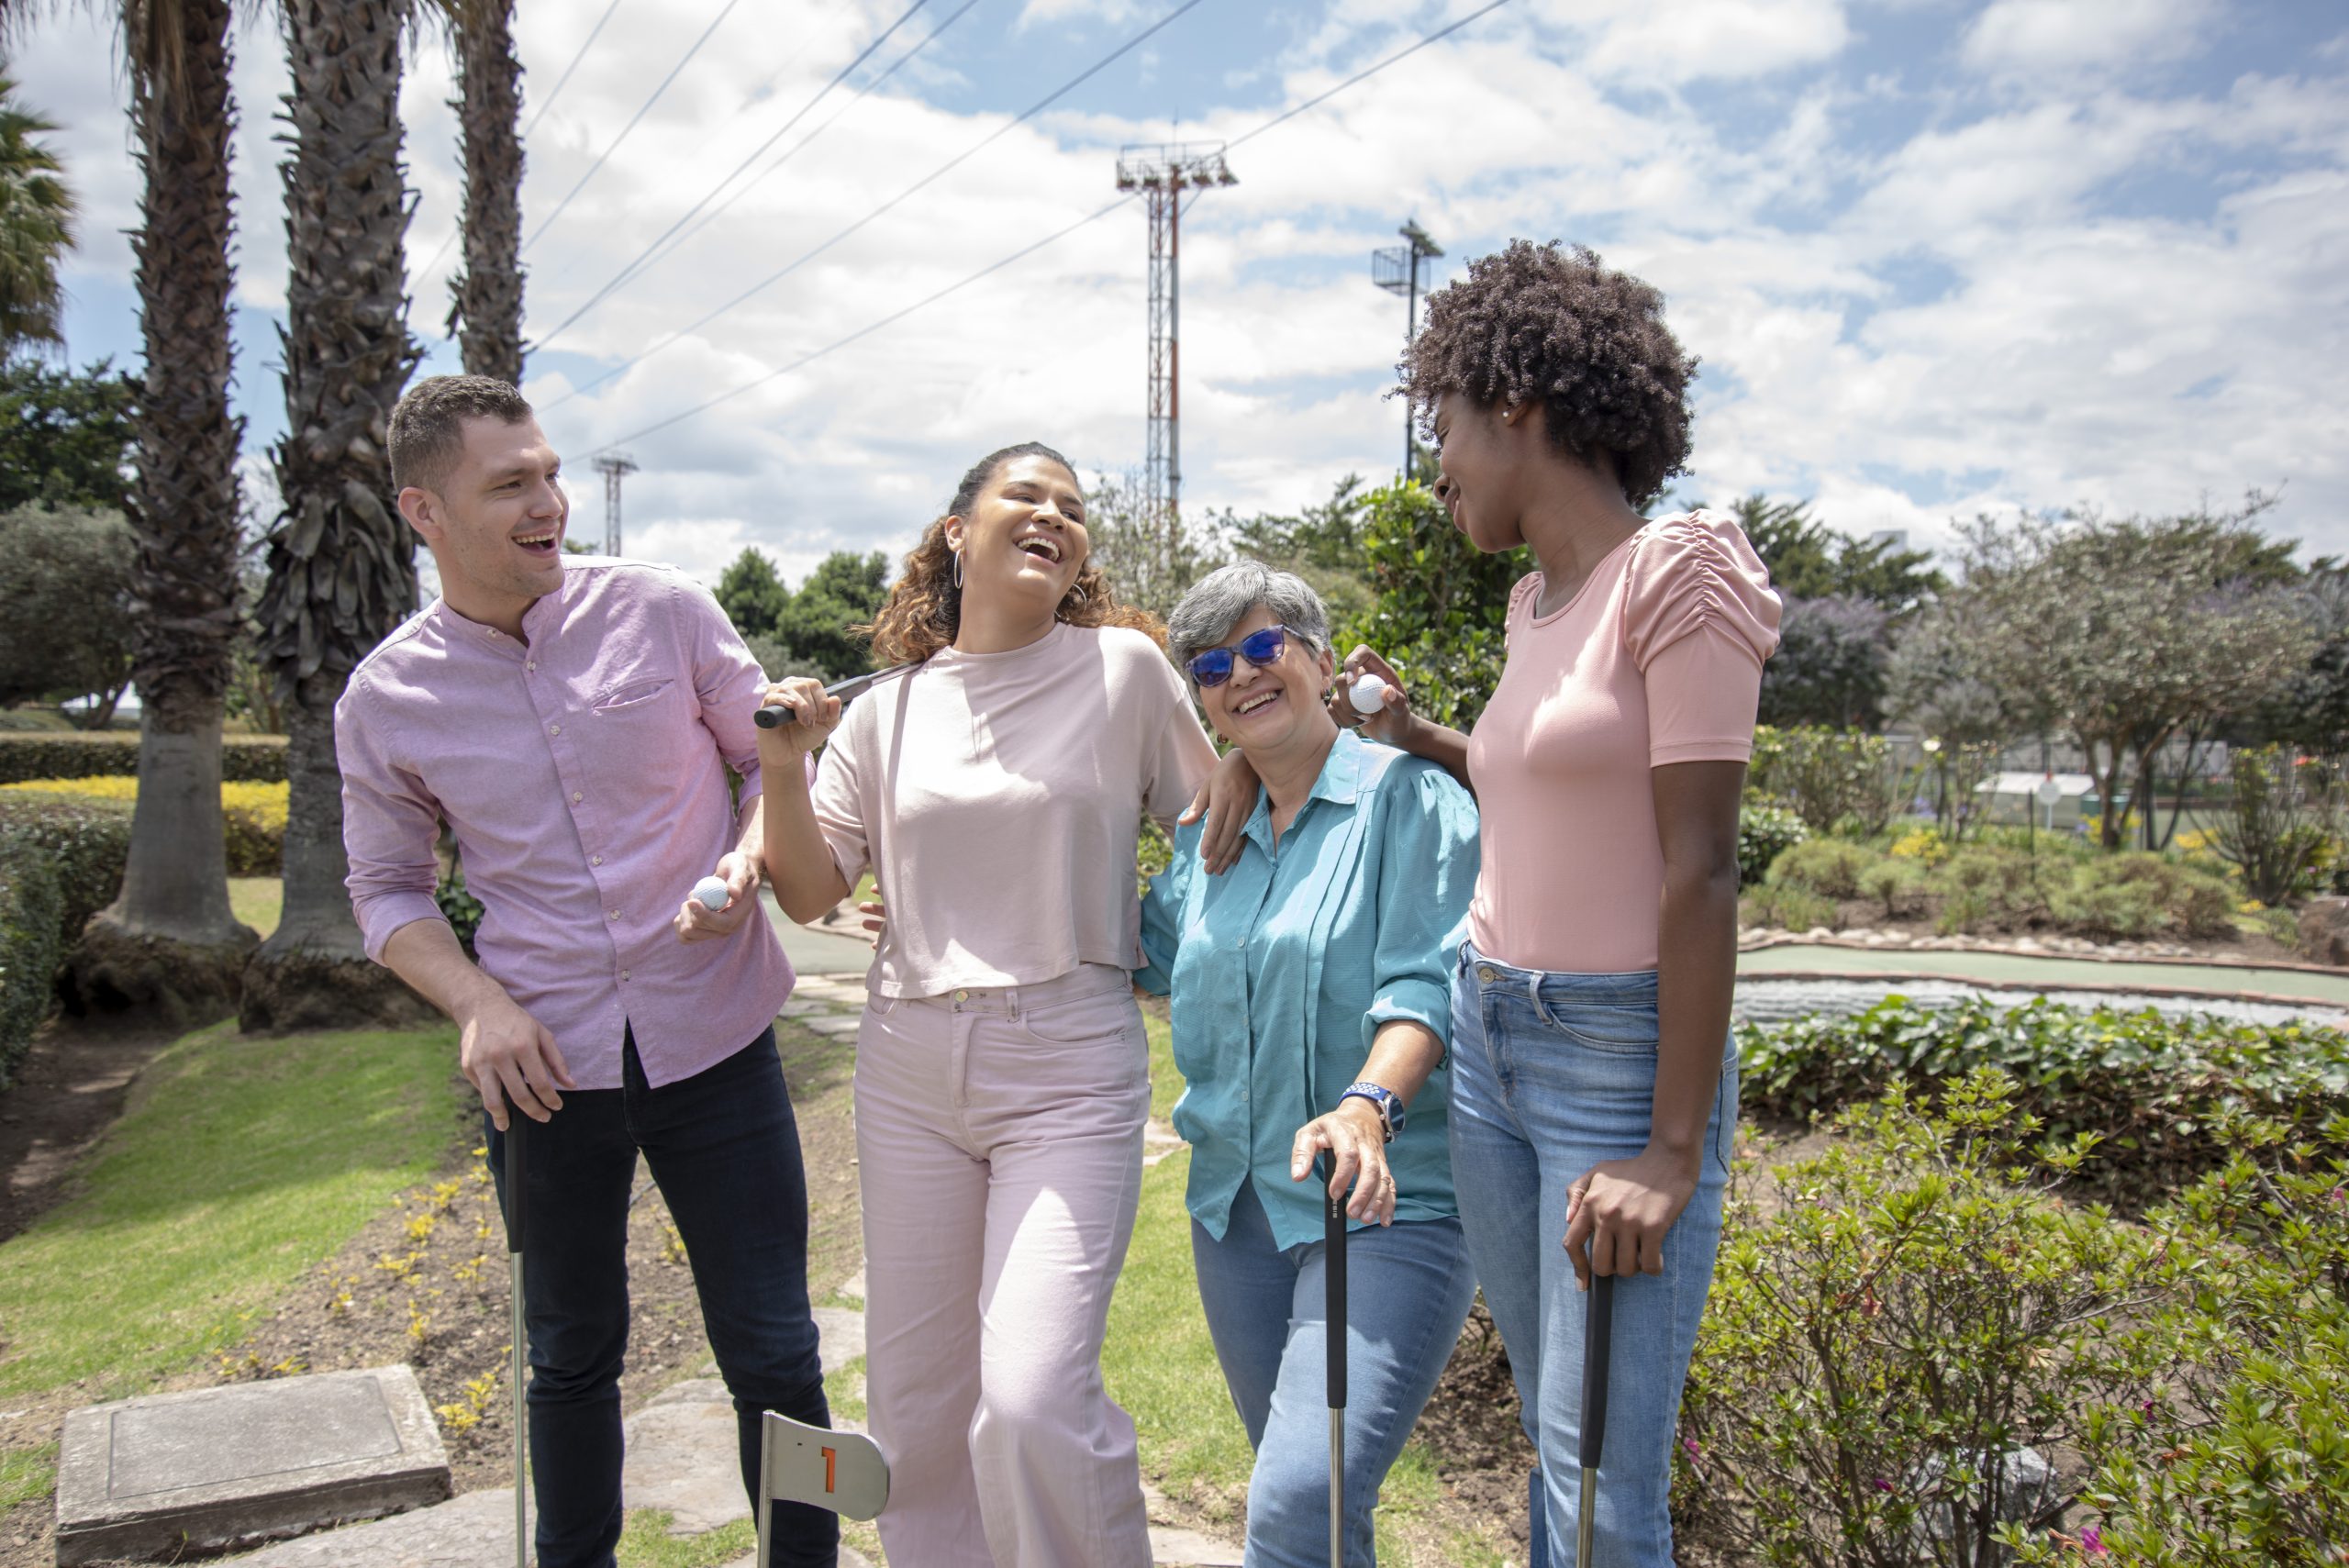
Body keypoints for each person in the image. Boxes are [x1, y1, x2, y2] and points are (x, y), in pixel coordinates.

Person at [1301, 241, 1779, 1566]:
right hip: (1491, 1045)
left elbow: (1703, 865)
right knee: (1551, 1437)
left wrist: (1670, 1151)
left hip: (1616, 1064)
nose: (1436, 462)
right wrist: (1419, 734)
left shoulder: (1679, 573)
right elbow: (1543, 784)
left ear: (1515, 402)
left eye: (1441, 425)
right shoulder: (1534, 602)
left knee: (1599, 1480)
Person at [339, 375, 835, 1568]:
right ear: (425, 509)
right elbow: (387, 893)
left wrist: (744, 863)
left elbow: (767, 768)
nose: (547, 502)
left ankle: (809, 1559)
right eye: (509, 484)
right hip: (543, 1070)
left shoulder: (665, 612)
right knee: (568, 1352)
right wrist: (478, 1002)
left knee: (777, 1347)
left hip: (718, 1039)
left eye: (550, 473)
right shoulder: (385, 699)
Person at [755, 442, 1219, 1568]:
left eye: (1073, 507)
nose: (1054, 515)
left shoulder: (1125, 672)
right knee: (916, 1410)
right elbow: (816, 888)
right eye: (1026, 495)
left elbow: (1216, 831)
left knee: (1030, 1397)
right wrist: (780, 761)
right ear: (956, 530)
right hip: (907, 1064)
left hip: (1066, 1059)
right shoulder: (881, 712)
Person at [1136, 562, 1479, 1567]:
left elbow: (1427, 981)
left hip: (1384, 1209)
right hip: (1236, 1212)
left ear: (1321, 660)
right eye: (1210, 665)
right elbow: (1132, 950)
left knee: (1293, 1500)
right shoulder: (1210, 834)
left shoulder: (1407, 798)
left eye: (1261, 645)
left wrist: (1369, 1104)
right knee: (1317, 1517)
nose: (1239, 673)